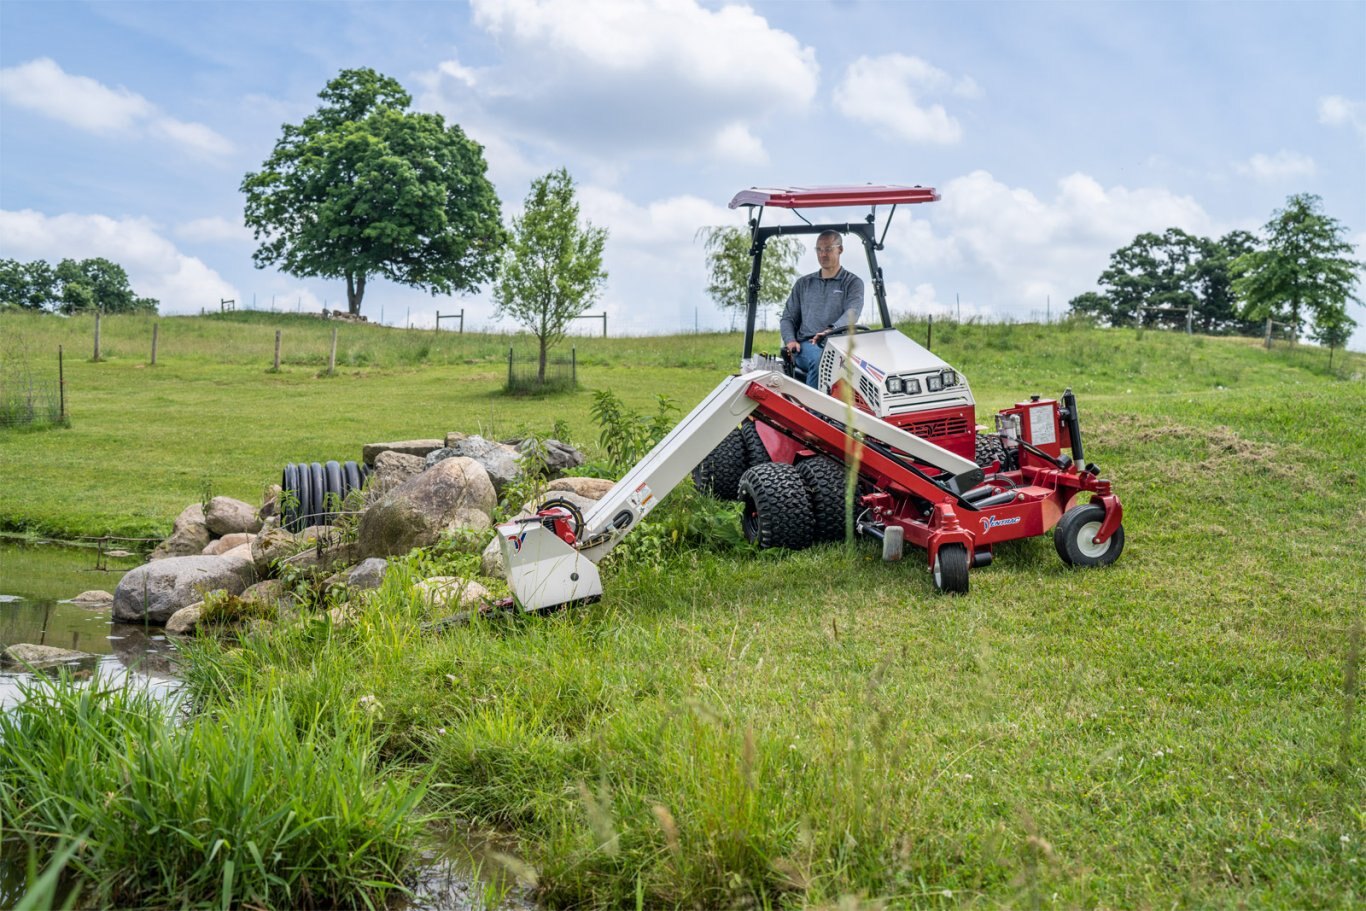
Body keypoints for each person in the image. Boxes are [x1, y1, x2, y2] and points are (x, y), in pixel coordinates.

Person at [779, 230, 864, 388]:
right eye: (819, 249)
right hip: (808, 344)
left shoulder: (852, 283)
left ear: (840, 249)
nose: (822, 254)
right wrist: (790, 340)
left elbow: (852, 312)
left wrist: (831, 330)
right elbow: (788, 318)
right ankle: (815, 412)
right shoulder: (804, 284)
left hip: (841, 344)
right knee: (823, 361)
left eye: (828, 249)